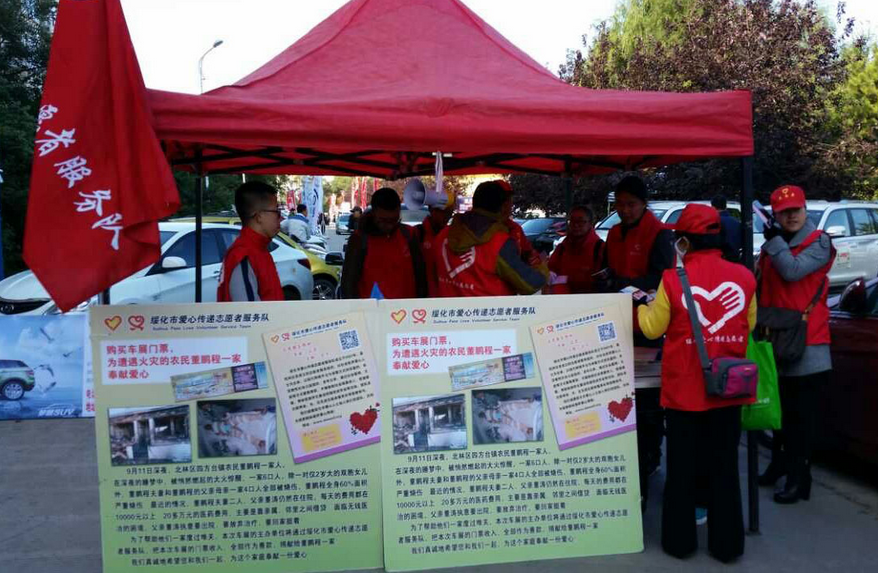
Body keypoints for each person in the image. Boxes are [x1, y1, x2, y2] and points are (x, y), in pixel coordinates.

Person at [637, 204, 757, 563]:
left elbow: (651, 328)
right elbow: (749, 324)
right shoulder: (745, 276)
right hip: (728, 389)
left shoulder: (673, 279)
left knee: (682, 469)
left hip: (684, 391)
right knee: (724, 468)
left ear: (684, 242)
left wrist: (640, 306)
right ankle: (727, 546)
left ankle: (680, 543)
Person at [757, 184, 834, 504]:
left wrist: (773, 242)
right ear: (774, 215)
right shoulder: (775, 245)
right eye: (784, 212)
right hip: (776, 336)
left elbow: (792, 271)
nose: (791, 216)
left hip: (808, 341)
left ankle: (799, 477)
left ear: (805, 210)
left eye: (796, 210)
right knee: (779, 412)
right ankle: (779, 464)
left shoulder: (819, 242)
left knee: (801, 418)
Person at [601, 174, 675, 506]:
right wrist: (608, 281)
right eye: (620, 204)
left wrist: (625, 284)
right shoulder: (614, 232)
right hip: (616, 325)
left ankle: (649, 457)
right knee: (619, 395)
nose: (625, 210)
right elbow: (607, 267)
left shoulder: (660, 234)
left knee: (646, 401)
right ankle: (625, 453)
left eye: (631, 204)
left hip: (647, 327)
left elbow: (662, 278)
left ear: (644, 203)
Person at [434, 180, 547, 297]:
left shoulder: (443, 235)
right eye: (509, 203)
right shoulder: (499, 243)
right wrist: (542, 268)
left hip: (447, 308)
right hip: (490, 308)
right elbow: (530, 284)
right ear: (503, 207)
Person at [340, 188, 427, 299]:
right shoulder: (359, 239)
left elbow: (421, 279)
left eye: (394, 220)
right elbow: (348, 286)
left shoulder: (409, 235)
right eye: (383, 220)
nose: (389, 225)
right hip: (371, 309)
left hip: (407, 308)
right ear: (373, 213)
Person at [217, 181, 284, 302]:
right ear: (259, 216)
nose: (281, 218)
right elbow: (249, 310)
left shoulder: (260, 250)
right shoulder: (242, 255)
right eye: (276, 212)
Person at [546, 205, 604, 294]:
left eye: (580, 221)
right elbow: (550, 272)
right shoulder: (562, 248)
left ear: (590, 223)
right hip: (563, 299)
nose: (576, 225)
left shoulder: (599, 248)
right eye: (572, 221)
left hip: (591, 299)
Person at [414, 204, 454, 296]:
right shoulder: (417, 233)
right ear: (431, 209)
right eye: (442, 211)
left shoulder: (452, 235)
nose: (446, 216)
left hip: (445, 296)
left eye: (449, 213)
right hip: (423, 297)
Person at [712, 195, 743, 262]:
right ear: (725, 206)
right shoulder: (736, 222)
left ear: (713, 207)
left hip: (717, 260)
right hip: (734, 259)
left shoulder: (712, 222)